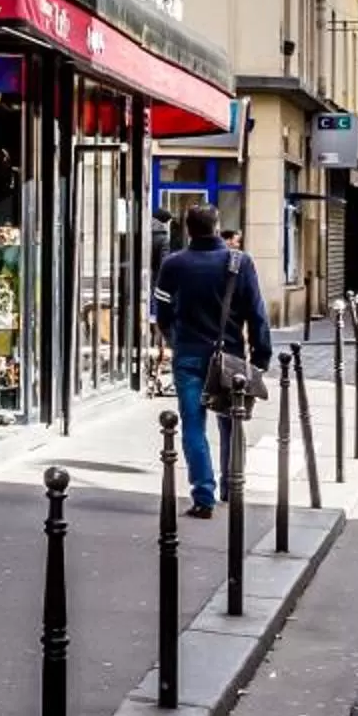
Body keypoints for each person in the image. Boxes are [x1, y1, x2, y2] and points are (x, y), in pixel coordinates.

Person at [154, 204, 272, 518]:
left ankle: (203, 496)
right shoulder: (240, 262)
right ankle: (232, 487)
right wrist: (261, 356)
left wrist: (175, 341)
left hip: (189, 355)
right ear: (217, 226)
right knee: (232, 421)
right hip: (230, 355)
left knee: (193, 425)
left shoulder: (173, 264)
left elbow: (162, 313)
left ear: (188, 229)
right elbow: (257, 313)